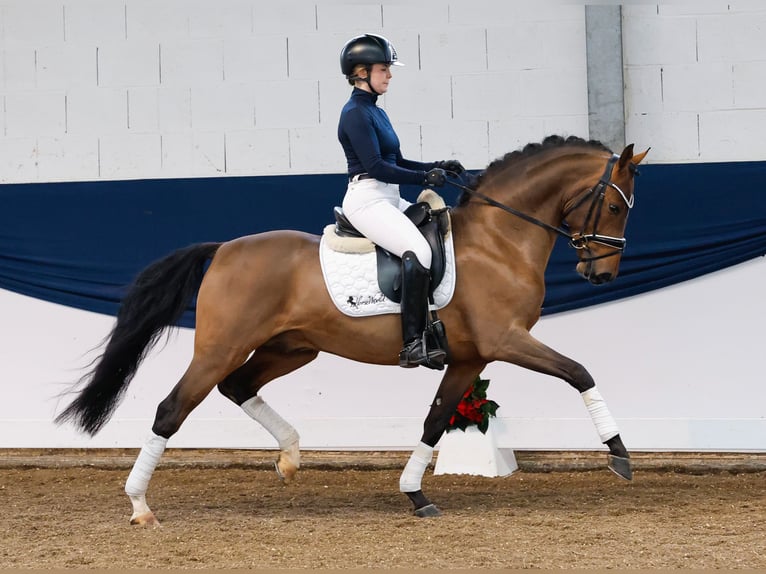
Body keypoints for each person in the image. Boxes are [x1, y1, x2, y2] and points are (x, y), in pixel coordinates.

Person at [337, 33, 465, 370]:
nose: (389, 76)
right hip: (367, 200)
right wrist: (424, 179)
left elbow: (398, 160)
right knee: (419, 252)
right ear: (361, 72)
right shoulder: (354, 114)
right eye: (383, 69)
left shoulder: (376, 112)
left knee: (439, 230)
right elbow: (378, 167)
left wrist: (435, 168)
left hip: (387, 197)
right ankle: (412, 343)